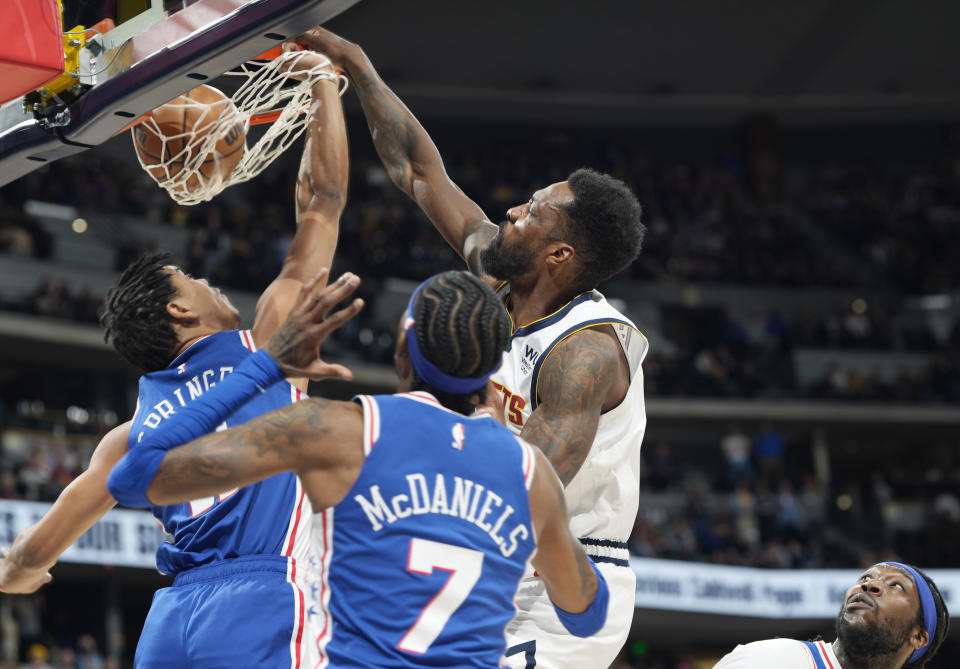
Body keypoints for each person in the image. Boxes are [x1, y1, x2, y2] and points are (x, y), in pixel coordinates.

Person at [294, 28, 648, 669]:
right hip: (487, 539)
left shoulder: (587, 351)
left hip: (564, 574)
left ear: (559, 254)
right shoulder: (500, 274)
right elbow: (417, 170)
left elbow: (519, 482)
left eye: (533, 212)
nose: (513, 210)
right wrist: (357, 65)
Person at [0, 43, 351, 669]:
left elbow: (28, 557)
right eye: (192, 279)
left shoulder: (130, 436)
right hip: (262, 597)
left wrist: (21, 576)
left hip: (172, 623)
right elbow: (321, 201)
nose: (209, 282)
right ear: (179, 312)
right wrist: (323, 81)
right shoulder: (270, 342)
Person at [107, 270, 610, 668]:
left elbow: (135, 477)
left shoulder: (341, 430)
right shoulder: (529, 473)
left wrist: (260, 369)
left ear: (401, 347)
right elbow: (589, 615)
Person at [714, 562, 949, 669]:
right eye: (865, 578)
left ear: (919, 636)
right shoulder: (773, 658)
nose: (870, 585)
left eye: (896, 586)